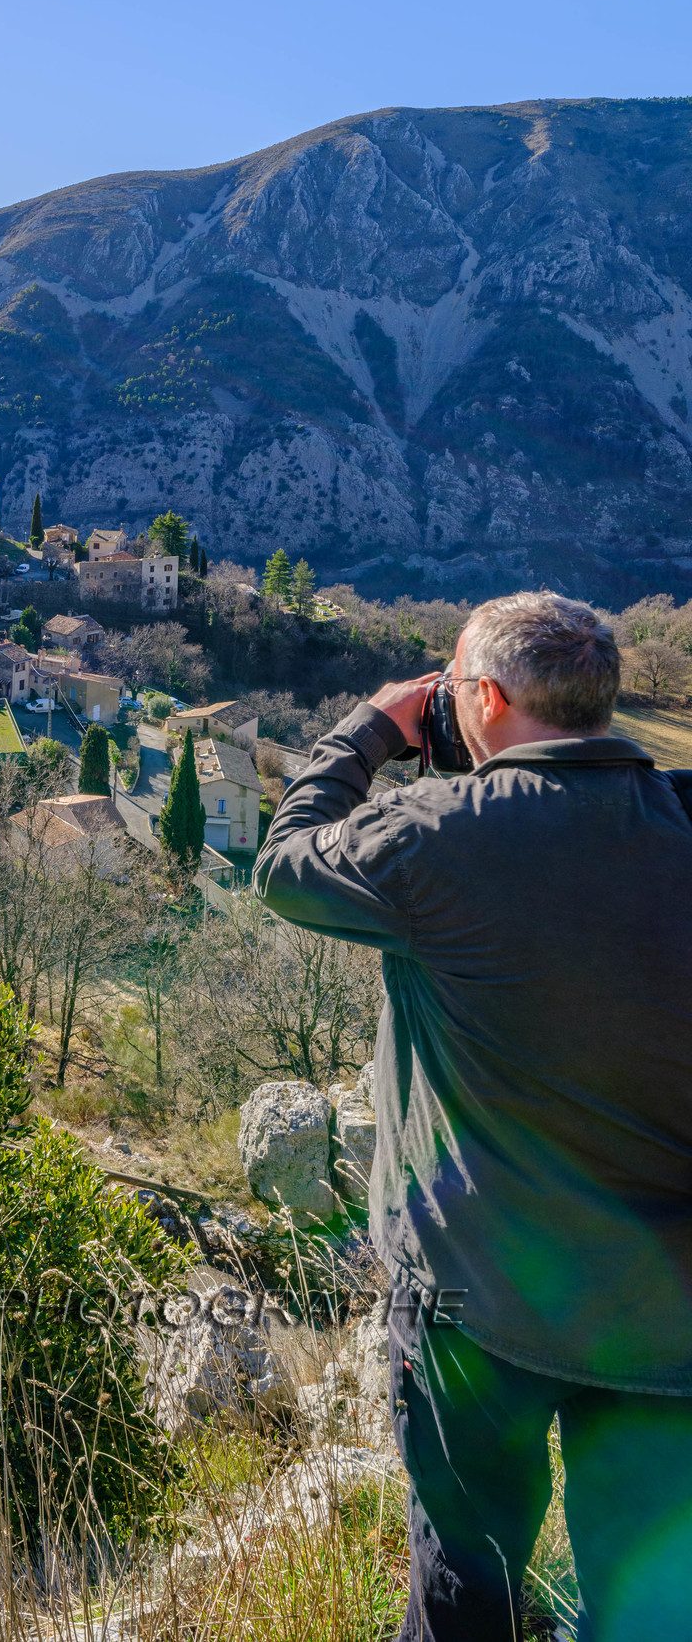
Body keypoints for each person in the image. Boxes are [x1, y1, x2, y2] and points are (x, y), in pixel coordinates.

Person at [256, 590, 692, 1641]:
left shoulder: (431, 841)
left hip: (471, 1296)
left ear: (484, 697)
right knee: (643, 1603)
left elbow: (283, 864)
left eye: (453, 690)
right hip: (664, 1314)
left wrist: (371, 726)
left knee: (466, 1578)